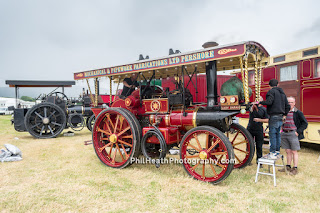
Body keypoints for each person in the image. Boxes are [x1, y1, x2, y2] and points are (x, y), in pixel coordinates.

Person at [259, 79, 290, 159]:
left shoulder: (271, 92)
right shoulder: (282, 93)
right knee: (278, 135)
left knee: (272, 135)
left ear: (269, 85)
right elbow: (288, 106)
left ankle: (272, 153)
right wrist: (285, 115)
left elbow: (269, 102)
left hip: (274, 116)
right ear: (278, 84)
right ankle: (277, 151)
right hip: (280, 117)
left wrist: (260, 102)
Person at [278, 96, 308, 175]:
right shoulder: (284, 112)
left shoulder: (298, 112)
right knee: (288, 151)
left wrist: (298, 131)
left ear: (294, 103)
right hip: (284, 133)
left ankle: (295, 168)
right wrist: (281, 130)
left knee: (294, 151)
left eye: (291, 102)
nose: (290, 104)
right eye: (288, 102)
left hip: (293, 133)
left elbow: (305, 123)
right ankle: (288, 166)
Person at [247, 96, 269, 164]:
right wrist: (252, 104)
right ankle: (248, 161)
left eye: (258, 99)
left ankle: (259, 161)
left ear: (261, 101)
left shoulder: (264, 109)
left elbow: (268, 120)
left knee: (259, 146)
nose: (257, 100)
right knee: (249, 145)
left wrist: (259, 120)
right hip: (250, 129)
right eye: (256, 99)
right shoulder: (252, 107)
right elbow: (249, 109)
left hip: (259, 129)